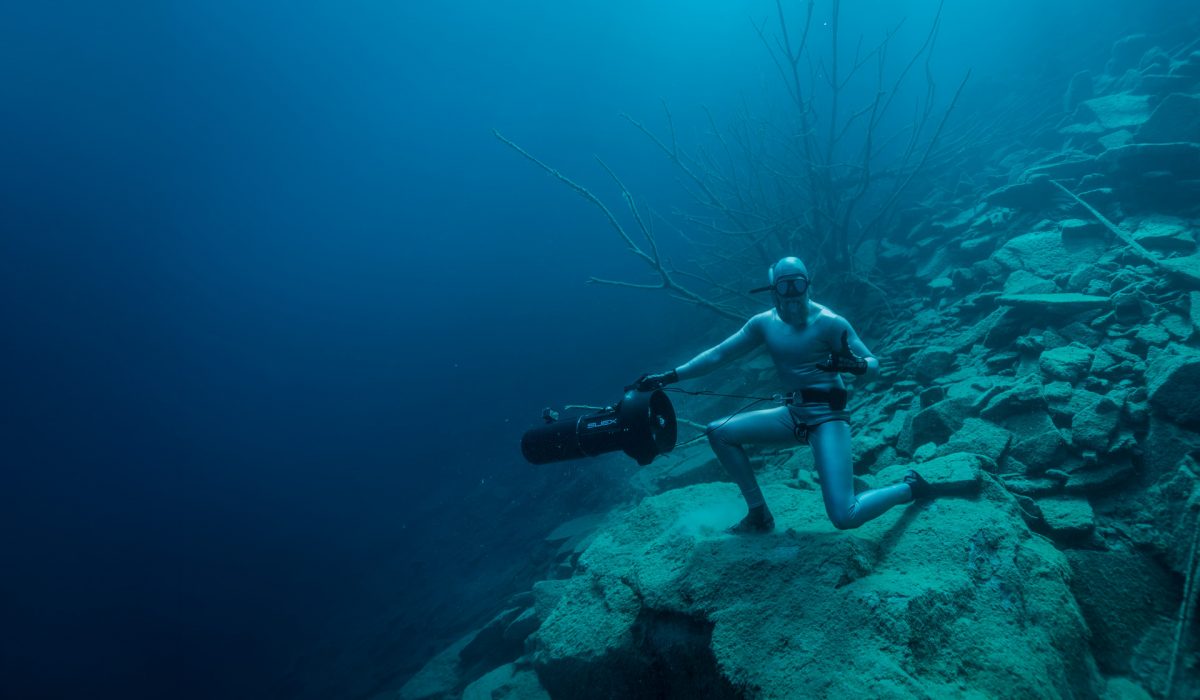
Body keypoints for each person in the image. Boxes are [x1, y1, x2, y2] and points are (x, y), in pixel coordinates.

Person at [635, 256, 930, 533]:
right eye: (784, 286)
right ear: (773, 289)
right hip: (792, 415)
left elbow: (874, 365)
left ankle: (911, 488)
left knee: (844, 515)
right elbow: (719, 355)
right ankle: (758, 514)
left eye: (798, 285)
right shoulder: (764, 323)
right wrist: (670, 376)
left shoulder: (830, 322)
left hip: (828, 418)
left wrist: (853, 364)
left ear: (808, 284)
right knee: (718, 432)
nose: (792, 295)